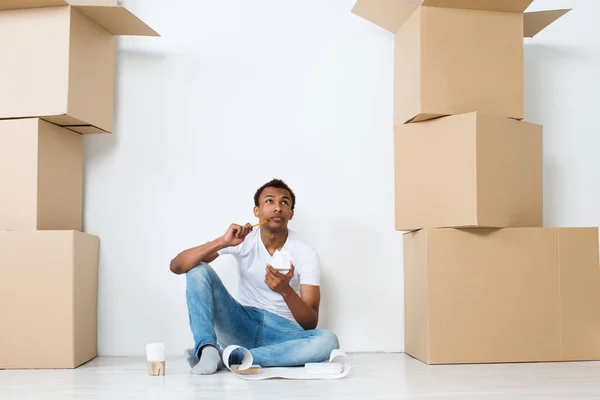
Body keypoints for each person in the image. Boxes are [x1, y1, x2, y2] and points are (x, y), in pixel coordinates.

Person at [170, 178, 340, 375]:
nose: (277, 207)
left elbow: (310, 322)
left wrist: (286, 292)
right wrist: (223, 242)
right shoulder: (243, 240)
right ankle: (207, 350)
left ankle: (230, 357)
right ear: (256, 211)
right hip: (241, 323)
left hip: (282, 334)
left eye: (284, 202)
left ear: (291, 213)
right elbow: (177, 265)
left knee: (328, 341)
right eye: (269, 201)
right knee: (197, 269)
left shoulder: (305, 252)